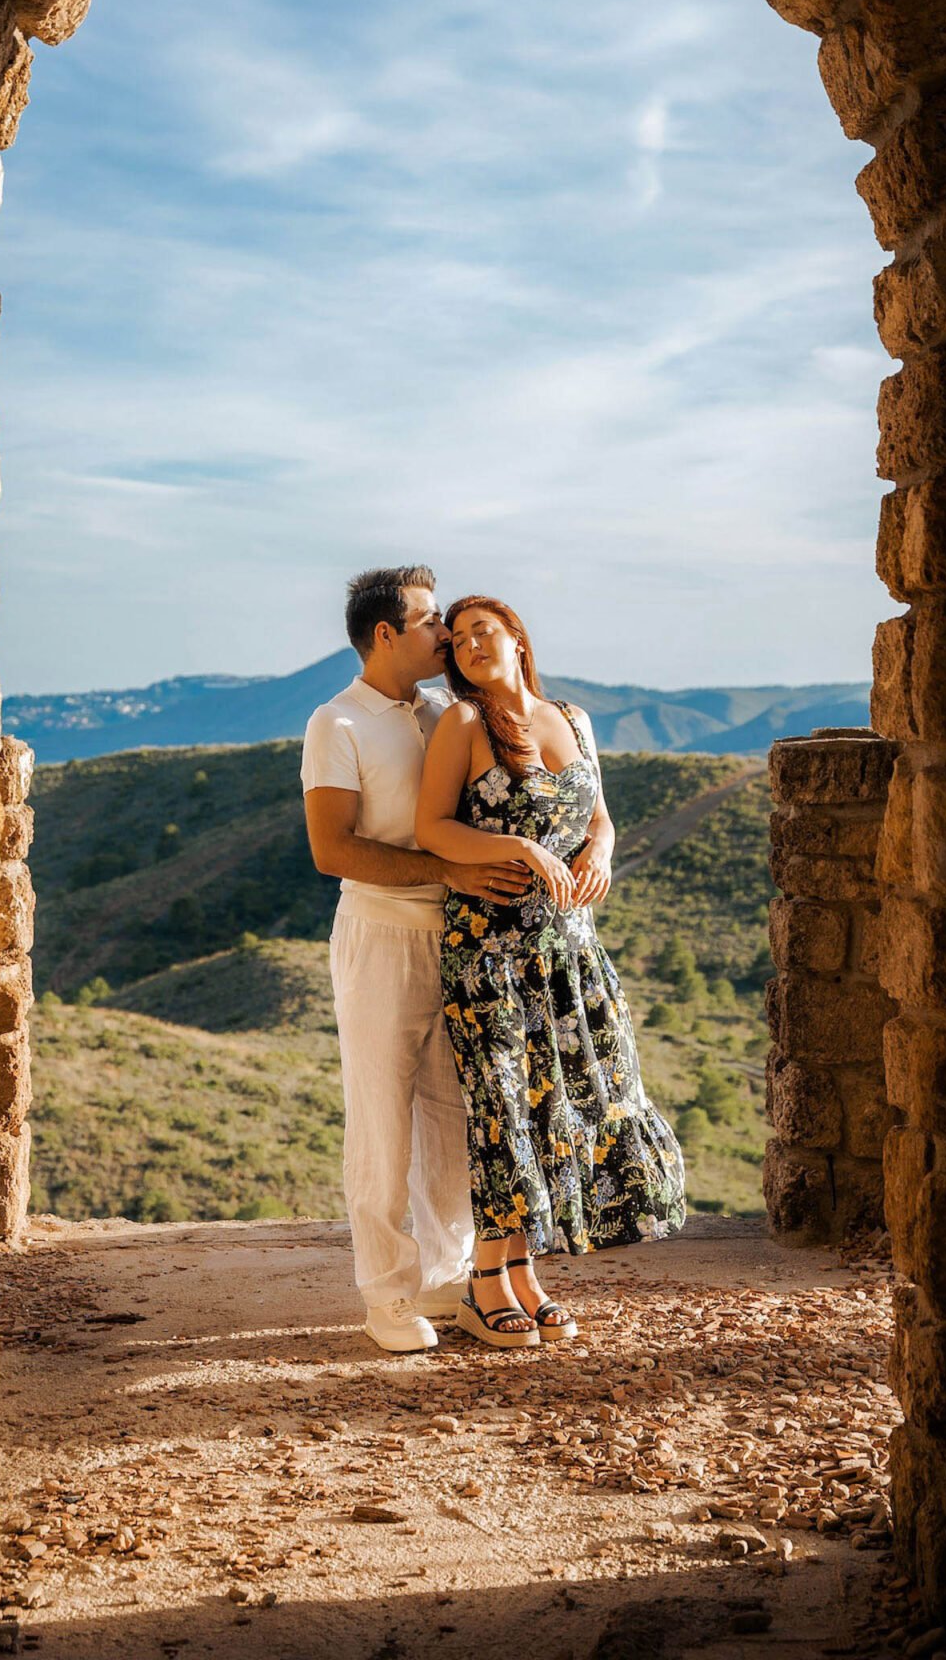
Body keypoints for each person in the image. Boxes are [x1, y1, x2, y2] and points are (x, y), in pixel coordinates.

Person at [415, 594, 686, 1349]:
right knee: (504, 1109)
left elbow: (597, 812)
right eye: (459, 640)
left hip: (569, 951)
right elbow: (430, 828)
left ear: (517, 640)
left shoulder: (571, 718)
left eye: (484, 632)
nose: (471, 645)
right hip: (492, 952)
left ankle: (526, 1275)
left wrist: (599, 852)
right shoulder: (463, 726)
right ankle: (482, 1286)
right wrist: (525, 852)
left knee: (559, 1107)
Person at [301, 566, 533, 1354]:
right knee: (381, 1121)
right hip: (381, 939)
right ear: (387, 634)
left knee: (457, 1118)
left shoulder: (447, 714)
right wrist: (448, 871)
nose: (445, 634)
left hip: (465, 940)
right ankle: (387, 1297)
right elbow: (332, 851)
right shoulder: (335, 724)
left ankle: (451, 1279)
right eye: (432, 621)